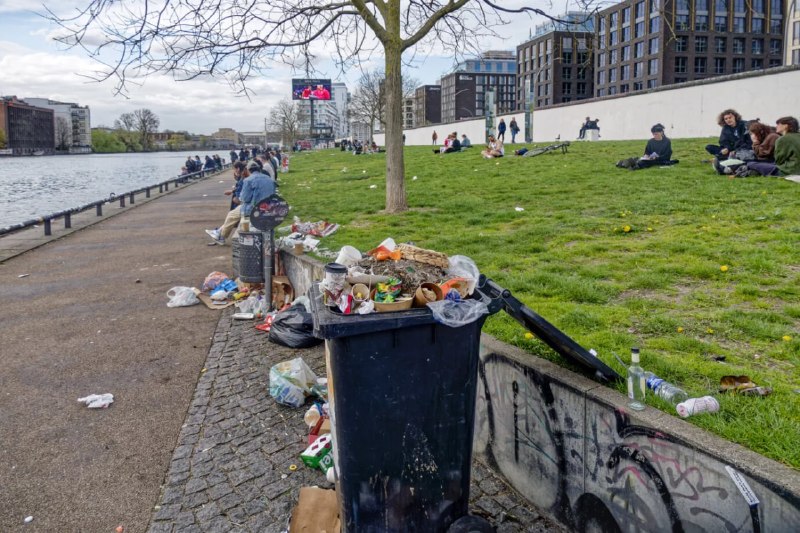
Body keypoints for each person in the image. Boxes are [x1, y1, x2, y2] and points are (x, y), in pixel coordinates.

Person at [204, 161, 251, 244]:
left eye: (235, 169)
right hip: (248, 204)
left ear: (239, 169)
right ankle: (219, 233)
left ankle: (220, 236)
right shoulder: (246, 177)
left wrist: (238, 199)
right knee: (232, 217)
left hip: (247, 205)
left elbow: (243, 193)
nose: (234, 171)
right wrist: (233, 191)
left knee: (232, 216)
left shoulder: (245, 179)